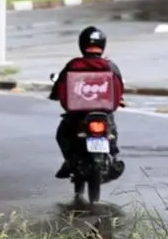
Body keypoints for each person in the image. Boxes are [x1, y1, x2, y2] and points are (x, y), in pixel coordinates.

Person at [48, 25, 125, 179]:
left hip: (77, 113)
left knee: (62, 134)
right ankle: (113, 157)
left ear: (82, 44)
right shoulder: (110, 66)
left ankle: (69, 161)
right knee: (112, 132)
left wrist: (54, 95)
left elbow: (60, 86)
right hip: (104, 111)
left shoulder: (73, 65)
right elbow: (119, 88)